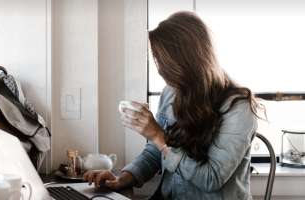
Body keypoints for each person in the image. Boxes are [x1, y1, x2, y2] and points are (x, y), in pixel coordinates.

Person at [83, 11, 265, 200]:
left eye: (165, 66)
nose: (161, 72)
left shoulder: (238, 108)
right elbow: (156, 152)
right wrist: (121, 179)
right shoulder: (171, 92)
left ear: (188, 63)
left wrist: (159, 136)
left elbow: (212, 179)